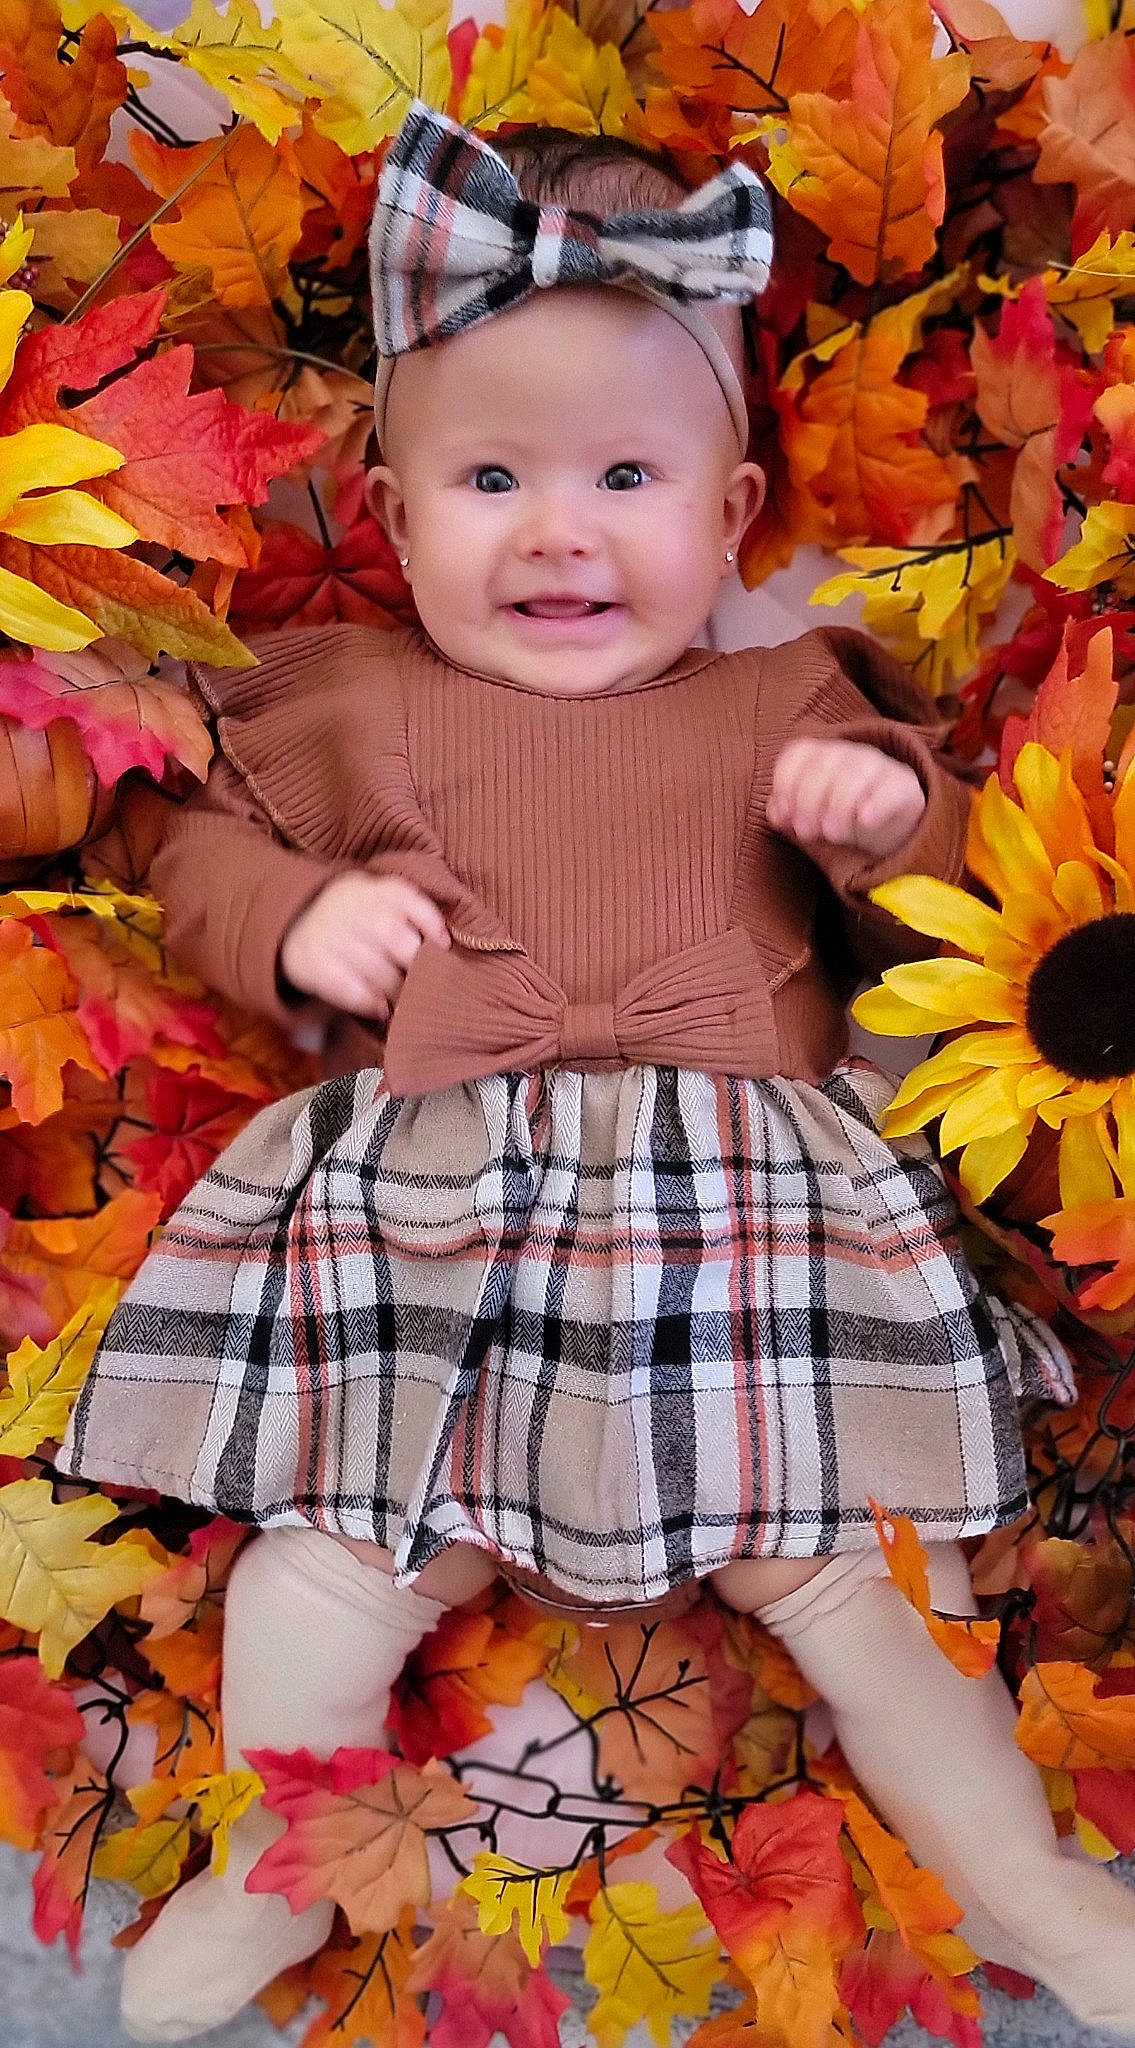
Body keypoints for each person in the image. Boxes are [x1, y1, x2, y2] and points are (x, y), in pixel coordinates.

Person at [56, 102, 1135, 2045]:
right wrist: (293, 919)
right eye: (491, 477)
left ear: (729, 511)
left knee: (860, 1585)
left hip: (745, 1228)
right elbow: (179, 841)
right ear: (395, 518)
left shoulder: (782, 697)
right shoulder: (355, 700)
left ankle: (1026, 1883)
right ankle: (286, 1860)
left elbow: (958, 924)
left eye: (626, 473)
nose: (558, 530)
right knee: (325, 1570)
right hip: (445, 1216)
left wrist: (879, 819)